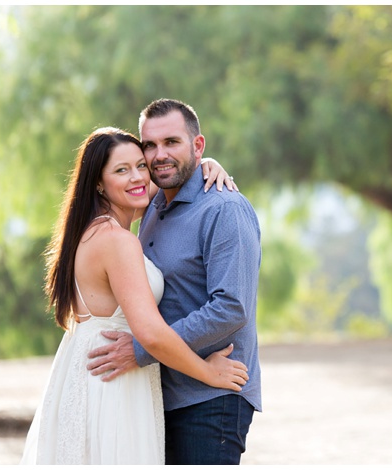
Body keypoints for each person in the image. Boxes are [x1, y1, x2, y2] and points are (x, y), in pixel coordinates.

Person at [19, 126, 247, 465]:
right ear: (99, 183)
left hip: (90, 374)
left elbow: (163, 178)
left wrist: (204, 164)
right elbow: (151, 334)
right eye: (121, 170)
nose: (137, 177)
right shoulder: (118, 241)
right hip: (114, 385)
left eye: (141, 165)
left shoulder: (91, 230)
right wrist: (208, 372)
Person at [86, 98, 262, 465]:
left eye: (172, 142)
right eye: (149, 145)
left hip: (210, 397)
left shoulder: (224, 209)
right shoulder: (151, 205)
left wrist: (141, 348)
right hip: (155, 396)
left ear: (198, 146)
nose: (158, 155)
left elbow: (231, 308)